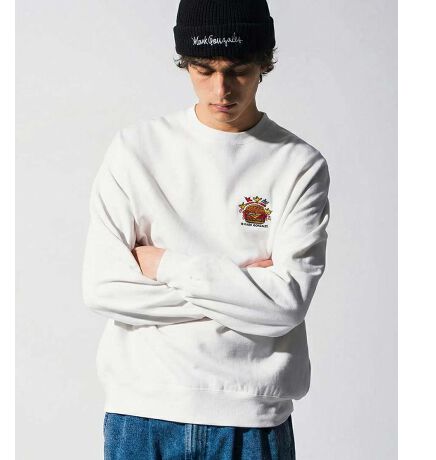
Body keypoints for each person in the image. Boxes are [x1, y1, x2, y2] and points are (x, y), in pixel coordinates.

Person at [81, 0, 330, 458]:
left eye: (238, 71)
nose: (221, 89)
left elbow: (286, 305)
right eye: (204, 69)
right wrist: (242, 288)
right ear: (185, 63)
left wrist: (165, 265)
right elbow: (103, 287)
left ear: (264, 64)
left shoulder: (298, 165)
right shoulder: (136, 151)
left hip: (253, 418)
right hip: (143, 411)